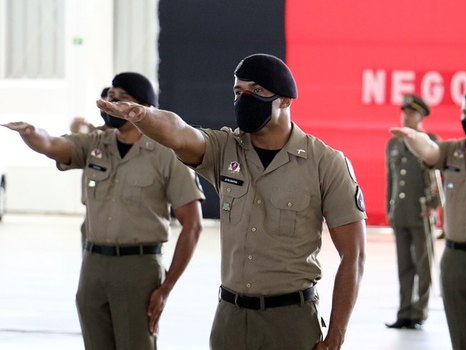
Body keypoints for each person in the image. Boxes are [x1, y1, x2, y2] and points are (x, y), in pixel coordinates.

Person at [96, 53, 367, 350]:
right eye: (239, 91)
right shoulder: (224, 149)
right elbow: (179, 132)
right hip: (231, 320)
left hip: (292, 321)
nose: (244, 98)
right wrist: (143, 115)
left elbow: (353, 255)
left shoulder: (326, 163)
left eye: (257, 91)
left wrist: (336, 335)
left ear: (286, 100)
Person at [2, 72, 205, 350]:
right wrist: (30, 133)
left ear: (143, 107)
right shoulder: (96, 143)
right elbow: (53, 145)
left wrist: (165, 288)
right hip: (93, 267)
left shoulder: (167, 154)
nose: (112, 103)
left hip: (138, 269)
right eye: (110, 97)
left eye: (122, 99)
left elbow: (192, 225)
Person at [390, 87, 466, 350]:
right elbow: (430, 152)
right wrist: (414, 138)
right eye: (465, 112)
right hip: (454, 261)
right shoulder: (454, 150)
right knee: (461, 341)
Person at [385, 95, 441, 330]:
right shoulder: (394, 144)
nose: (406, 116)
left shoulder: (431, 141)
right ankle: (404, 310)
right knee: (404, 265)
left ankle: (420, 311)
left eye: (411, 112)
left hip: (421, 212)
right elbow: (392, 178)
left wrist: (433, 203)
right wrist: (390, 206)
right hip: (401, 212)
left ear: (420, 116)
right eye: (404, 112)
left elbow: (439, 178)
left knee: (423, 264)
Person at [69, 86, 111, 249]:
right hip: (94, 211)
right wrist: (75, 127)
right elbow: (77, 137)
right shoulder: (94, 136)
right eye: (105, 101)